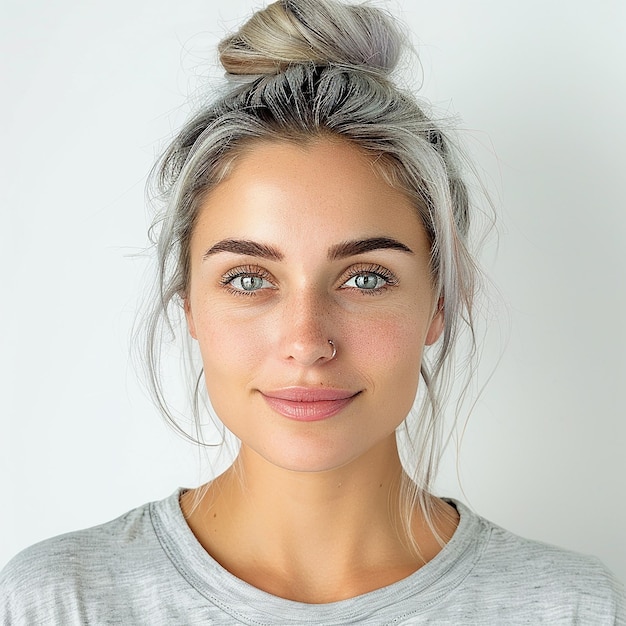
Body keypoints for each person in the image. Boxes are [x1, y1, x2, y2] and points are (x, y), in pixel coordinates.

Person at [1, 0, 624, 622]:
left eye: (365, 277)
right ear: (188, 302)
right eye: (249, 279)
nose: (306, 341)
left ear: (439, 300)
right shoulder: (58, 602)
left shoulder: (570, 608)